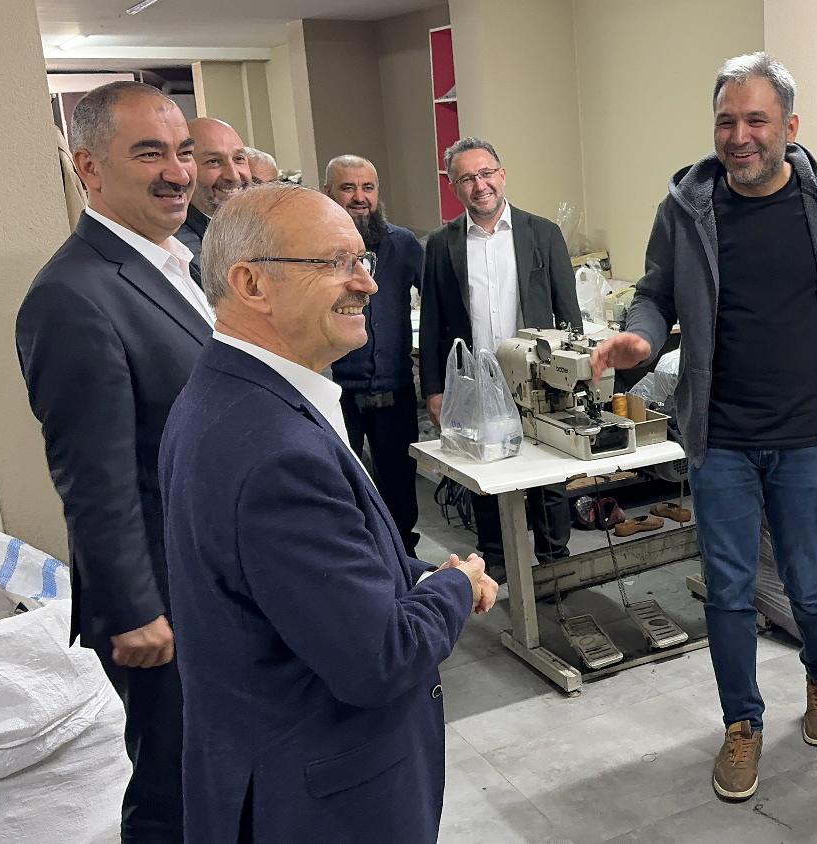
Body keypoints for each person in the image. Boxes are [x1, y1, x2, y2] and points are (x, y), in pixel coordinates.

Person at [159, 182, 498, 843]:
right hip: (319, 799)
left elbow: (310, 577)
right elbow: (382, 658)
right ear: (251, 283)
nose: (367, 284)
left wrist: (421, 577)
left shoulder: (228, 394)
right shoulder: (276, 451)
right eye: (335, 263)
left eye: (362, 261)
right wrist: (458, 585)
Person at [591, 52, 817, 802]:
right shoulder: (686, 207)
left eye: (756, 120)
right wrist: (641, 337)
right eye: (726, 121)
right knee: (728, 588)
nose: (739, 136)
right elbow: (655, 292)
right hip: (719, 435)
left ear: (790, 126)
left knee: (809, 579)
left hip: (807, 430)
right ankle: (741, 723)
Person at [16, 80, 213, 842]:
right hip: (159, 598)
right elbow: (92, 477)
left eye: (183, 151)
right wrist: (133, 608)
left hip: (208, 572)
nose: (178, 172)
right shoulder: (72, 295)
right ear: (88, 168)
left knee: (217, 766)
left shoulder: (180, 262)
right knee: (174, 784)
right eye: (150, 154)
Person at [418, 137, 579, 579]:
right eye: (467, 178)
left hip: (538, 378)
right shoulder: (441, 245)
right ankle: (497, 561)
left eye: (486, 173)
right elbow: (431, 322)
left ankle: (554, 560)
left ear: (502, 175)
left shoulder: (542, 233)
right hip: (475, 383)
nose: (480, 185)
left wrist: (574, 376)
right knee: (484, 474)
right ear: (454, 187)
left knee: (548, 472)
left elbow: (568, 312)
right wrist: (434, 389)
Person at [323, 154, 424, 556]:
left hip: (394, 390)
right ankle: (359, 560)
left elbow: (437, 306)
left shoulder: (404, 245)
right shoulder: (313, 249)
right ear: (328, 192)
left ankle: (405, 559)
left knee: (399, 486)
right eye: (348, 187)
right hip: (336, 393)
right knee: (340, 487)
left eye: (368, 187)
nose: (359, 197)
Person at [174, 117, 250, 284]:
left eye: (239, 159)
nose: (233, 175)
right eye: (214, 161)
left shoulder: (259, 227)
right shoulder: (182, 247)